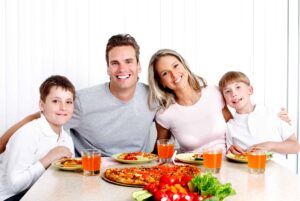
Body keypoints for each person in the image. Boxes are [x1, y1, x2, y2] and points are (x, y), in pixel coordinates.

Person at [0, 34, 156, 157]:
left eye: (128, 61)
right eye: (115, 63)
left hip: (137, 172)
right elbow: (36, 121)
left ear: (139, 66)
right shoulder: (83, 101)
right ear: (108, 69)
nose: (122, 68)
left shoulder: (153, 97)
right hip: (92, 173)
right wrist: (1, 146)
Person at [0, 75, 75, 201]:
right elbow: (15, 185)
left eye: (68, 102)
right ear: (42, 105)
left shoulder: (67, 140)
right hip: (10, 196)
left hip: (41, 193)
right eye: (56, 101)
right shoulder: (28, 134)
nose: (63, 107)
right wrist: (48, 159)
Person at [148, 49, 232, 153]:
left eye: (175, 66)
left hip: (227, 165)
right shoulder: (164, 114)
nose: (174, 74)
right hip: (192, 168)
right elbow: (159, 153)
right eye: (165, 73)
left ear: (184, 65)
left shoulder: (214, 92)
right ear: (161, 82)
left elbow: (234, 128)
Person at [218, 71, 300, 156]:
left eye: (238, 87)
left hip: (277, 168)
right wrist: (231, 151)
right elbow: (230, 154)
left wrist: (270, 145)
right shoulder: (229, 126)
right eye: (228, 91)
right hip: (248, 169)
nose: (234, 94)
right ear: (224, 99)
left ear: (250, 90)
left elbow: (295, 146)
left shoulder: (274, 111)